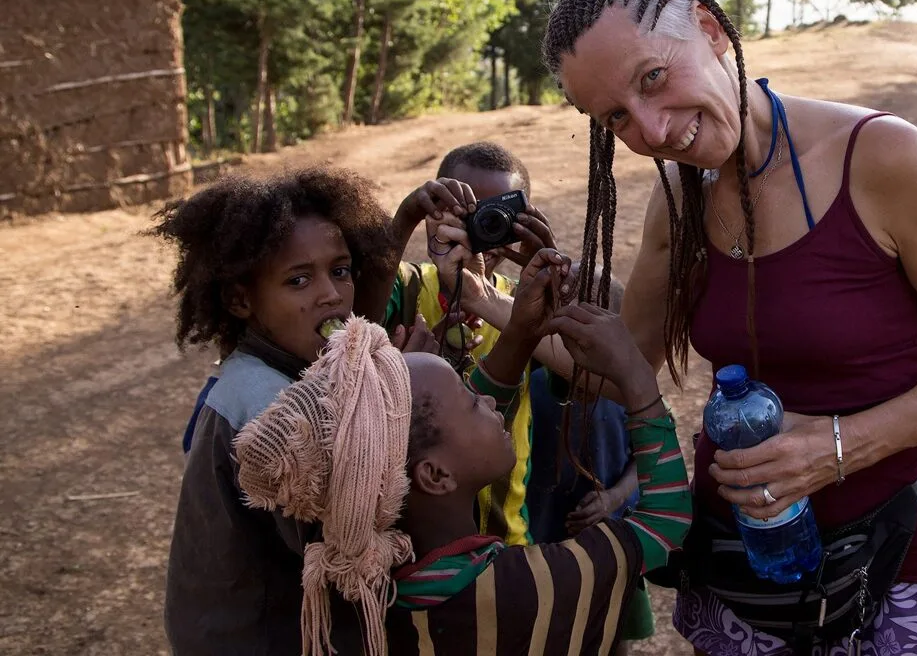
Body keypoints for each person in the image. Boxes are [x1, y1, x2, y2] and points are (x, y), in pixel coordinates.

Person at [530, 0, 917, 655]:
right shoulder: (677, 204)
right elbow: (621, 370)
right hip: (742, 577)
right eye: (616, 116)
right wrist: (504, 311)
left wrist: (835, 449)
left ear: (710, 31)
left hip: (892, 561)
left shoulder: (882, 155)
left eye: (652, 77)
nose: (650, 129)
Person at [232, 250, 691, 656]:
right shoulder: (529, 588)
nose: (489, 400)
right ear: (436, 476)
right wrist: (636, 378)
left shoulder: (366, 584)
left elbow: (450, 434)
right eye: (473, 402)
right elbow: (666, 526)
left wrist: (519, 332)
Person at [154, 167, 404, 655]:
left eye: (340, 270)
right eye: (298, 280)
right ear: (239, 299)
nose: (331, 294)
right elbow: (343, 547)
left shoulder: (283, 369)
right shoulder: (270, 405)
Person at [382, 141, 556, 546]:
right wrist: (402, 220)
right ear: (434, 216)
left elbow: (583, 373)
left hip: (504, 533)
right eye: (471, 215)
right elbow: (359, 310)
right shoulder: (403, 289)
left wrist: (545, 276)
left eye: (501, 218)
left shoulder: (522, 301)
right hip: (406, 543)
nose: (487, 231)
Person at [525, 271, 656, 651]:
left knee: (611, 631)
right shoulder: (531, 385)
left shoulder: (631, 394)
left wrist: (614, 498)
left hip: (611, 544)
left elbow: (645, 462)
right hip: (541, 545)